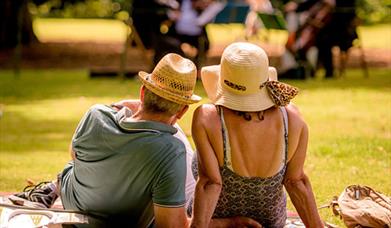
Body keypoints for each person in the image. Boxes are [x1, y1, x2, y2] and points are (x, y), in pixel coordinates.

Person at [9, 53, 262, 228]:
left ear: (142, 91)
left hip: (75, 202)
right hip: (121, 218)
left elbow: (76, 155)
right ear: (183, 111)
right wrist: (228, 223)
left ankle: (51, 188)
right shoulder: (171, 150)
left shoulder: (95, 114)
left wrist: (127, 110)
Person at [190, 42, 324, 227]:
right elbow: (296, 181)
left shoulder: (207, 118)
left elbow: (210, 183)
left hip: (217, 221)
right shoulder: (292, 118)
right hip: (270, 222)